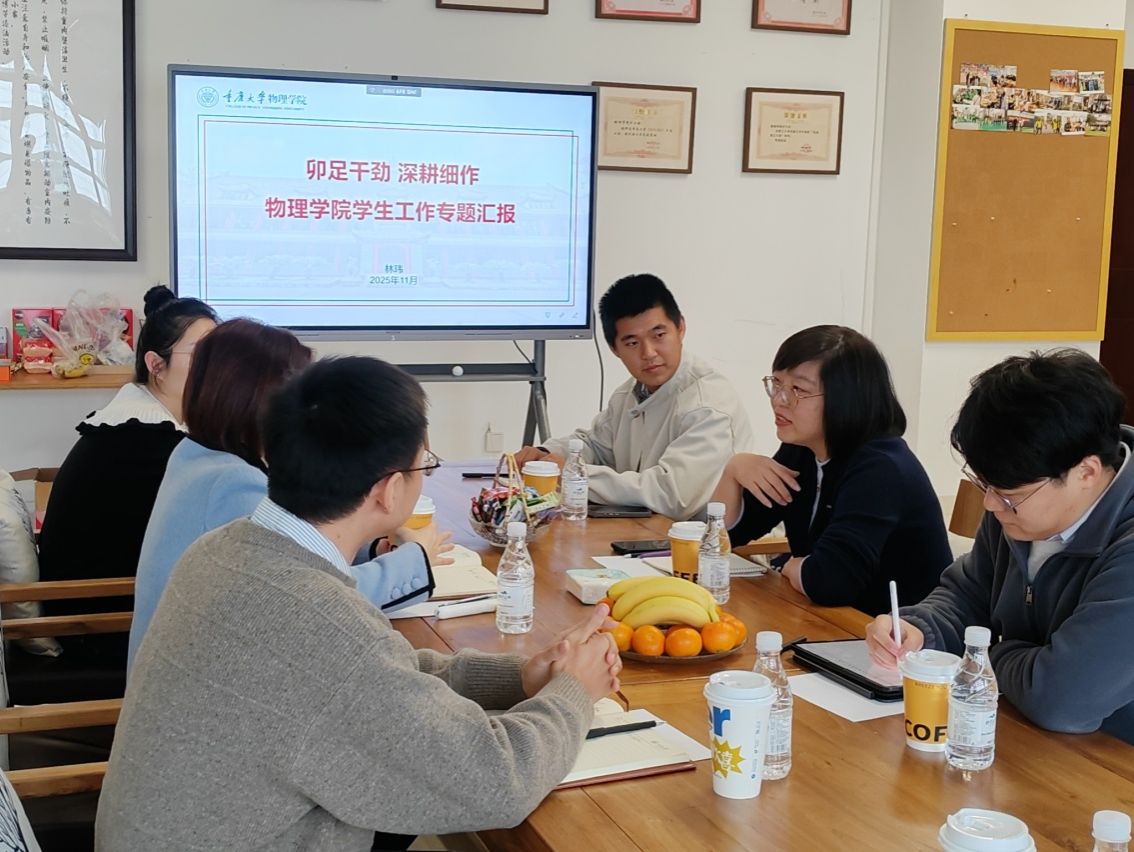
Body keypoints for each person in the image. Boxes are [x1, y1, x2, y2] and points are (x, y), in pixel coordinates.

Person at [96, 356, 621, 850]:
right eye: (424, 465)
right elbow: (498, 781)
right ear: (389, 491)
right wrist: (573, 692)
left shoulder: (224, 549)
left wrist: (520, 677)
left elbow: (377, 675)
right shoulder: (319, 623)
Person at [128, 319, 448, 670]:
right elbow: (311, 597)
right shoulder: (233, 484)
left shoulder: (197, 455)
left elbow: (303, 549)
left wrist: (371, 548)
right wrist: (416, 561)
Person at [866, 350, 1134, 743]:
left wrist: (987, 654)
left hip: (1109, 760)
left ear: (1086, 472)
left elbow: (1062, 698)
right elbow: (970, 594)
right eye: (985, 485)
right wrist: (920, 629)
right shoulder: (1017, 508)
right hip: (1022, 731)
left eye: (1008, 494)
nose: (991, 504)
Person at [33, 286, 217, 673]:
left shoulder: (135, 424)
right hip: (105, 630)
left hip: (112, 611)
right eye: (202, 354)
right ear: (156, 364)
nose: (217, 367)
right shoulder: (144, 441)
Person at [712, 325, 951, 616]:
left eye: (798, 390)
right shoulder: (801, 450)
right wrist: (733, 470)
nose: (778, 400)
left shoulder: (880, 468)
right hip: (830, 620)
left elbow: (830, 581)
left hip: (897, 634)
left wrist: (788, 566)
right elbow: (722, 540)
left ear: (845, 399)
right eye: (777, 384)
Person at [514, 273, 753, 520]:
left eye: (659, 335)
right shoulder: (630, 393)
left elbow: (672, 496)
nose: (648, 353)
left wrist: (573, 474)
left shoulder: (707, 405)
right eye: (632, 343)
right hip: (649, 531)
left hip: (706, 540)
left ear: (680, 327)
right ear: (614, 349)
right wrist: (546, 454)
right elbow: (597, 446)